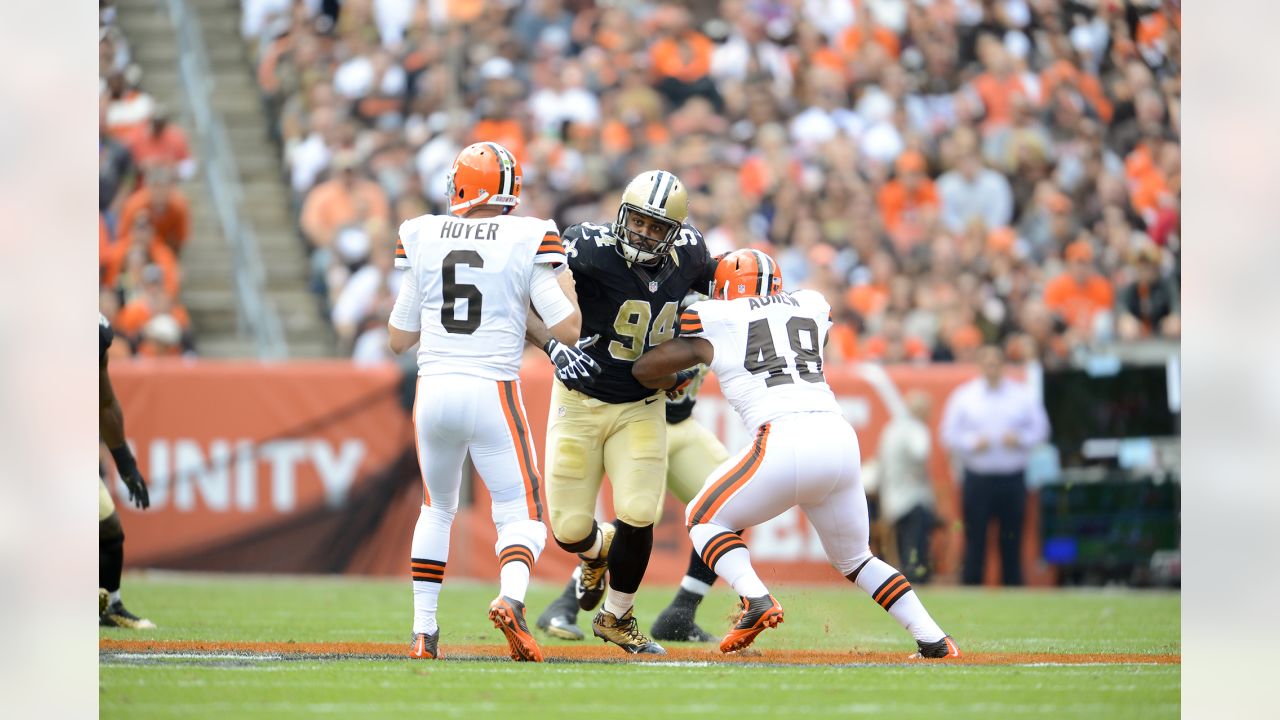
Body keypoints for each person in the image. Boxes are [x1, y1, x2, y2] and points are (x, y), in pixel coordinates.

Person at [631, 249, 960, 659]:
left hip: (785, 434)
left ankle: (755, 598)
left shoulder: (718, 317)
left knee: (702, 517)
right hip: (838, 437)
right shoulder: (811, 303)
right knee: (857, 559)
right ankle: (934, 639)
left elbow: (645, 369)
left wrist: (680, 371)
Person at [386, 142, 584, 662]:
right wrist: (561, 275)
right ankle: (511, 599)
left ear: (459, 186)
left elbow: (398, 338)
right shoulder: (528, 234)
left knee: (437, 509)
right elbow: (567, 325)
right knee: (523, 517)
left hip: (432, 389)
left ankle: (423, 632)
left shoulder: (422, 232)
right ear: (509, 188)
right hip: (491, 388)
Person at [524, 170, 719, 655]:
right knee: (569, 529)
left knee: (638, 511)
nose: (644, 234)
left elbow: (728, 302)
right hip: (579, 399)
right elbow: (519, 293)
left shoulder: (693, 255)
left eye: (657, 228)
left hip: (641, 405)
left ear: (674, 233)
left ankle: (618, 617)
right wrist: (551, 343)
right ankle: (596, 553)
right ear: (621, 215)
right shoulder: (585, 247)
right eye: (638, 222)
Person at [536, 361, 730, 643]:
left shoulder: (719, 317)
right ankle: (567, 602)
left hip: (682, 422)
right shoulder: (669, 316)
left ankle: (681, 613)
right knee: (639, 513)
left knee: (730, 502)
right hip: (642, 417)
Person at [940, 344, 1050, 586]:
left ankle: (1013, 588)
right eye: (987, 363)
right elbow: (948, 433)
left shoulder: (1021, 395)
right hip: (978, 478)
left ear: (1003, 366)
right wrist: (971, 443)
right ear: (980, 366)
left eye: (996, 363)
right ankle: (972, 587)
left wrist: (1020, 439)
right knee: (975, 537)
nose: (992, 368)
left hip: (1012, 478)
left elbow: (1041, 430)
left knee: (1011, 537)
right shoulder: (964, 396)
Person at [99, 313, 154, 628]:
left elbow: (105, 403)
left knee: (108, 528)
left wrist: (125, 463)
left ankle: (111, 605)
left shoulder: (96, 333)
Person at [878, 390, 938, 582]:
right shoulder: (915, 429)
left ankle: (905, 577)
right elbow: (920, 452)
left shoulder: (892, 428)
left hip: (892, 495)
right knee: (916, 541)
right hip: (912, 496)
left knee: (904, 540)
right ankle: (916, 576)